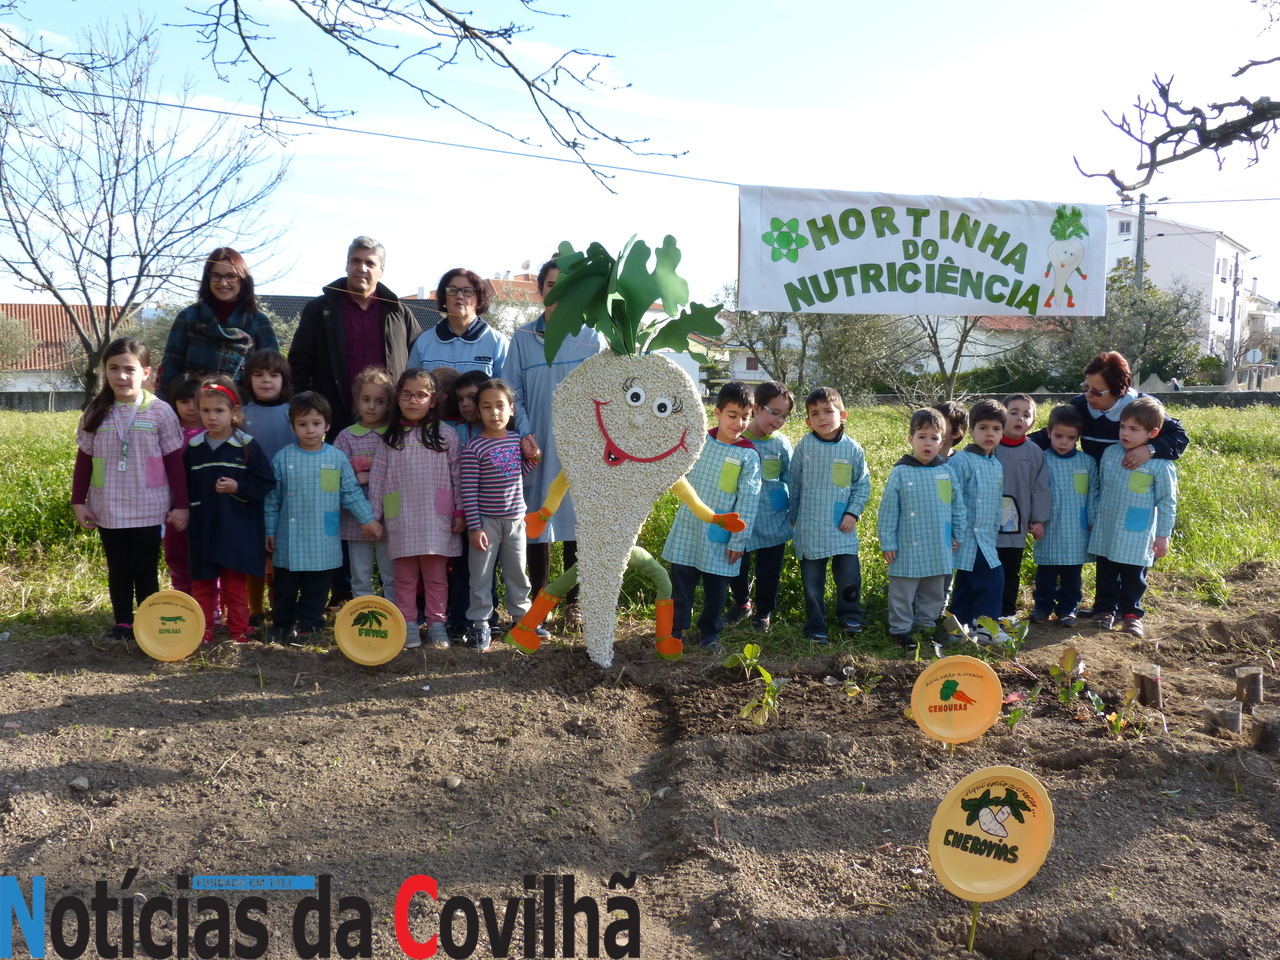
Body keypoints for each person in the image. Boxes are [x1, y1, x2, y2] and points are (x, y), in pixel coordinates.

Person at [503, 257, 604, 628]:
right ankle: (538, 602)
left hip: (581, 446)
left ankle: (574, 603)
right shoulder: (523, 338)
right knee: (537, 519)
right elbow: (512, 391)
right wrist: (525, 432)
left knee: (578, 523)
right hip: (536, 444)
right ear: (540, 290)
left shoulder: (592, 338)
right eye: (550, 286)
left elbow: (605, 393)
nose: (558, 294)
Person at [72, 338, 189, 640]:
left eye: (129, 369)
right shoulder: (95, 412)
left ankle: (149, 622)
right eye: (113, 368)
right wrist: (78, 501)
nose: (121, 376)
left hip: (149, 507)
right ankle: (123, 622)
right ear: (104, 371)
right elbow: (84, 461)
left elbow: (174, 463)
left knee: (145, 569)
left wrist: (182, 505)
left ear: (146, 373)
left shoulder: (161, 412)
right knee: (118, 568)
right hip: (107, 505)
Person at [263, 392, 382, 644]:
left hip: (322, 540)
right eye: (302, 424)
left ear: (327, 425)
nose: (309, 430)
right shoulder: (283, 458)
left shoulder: (336, 458)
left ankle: (310, 627)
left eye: (316, 424)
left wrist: (368, 519)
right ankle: (282, 625)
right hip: (289, 540)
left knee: (316, 590)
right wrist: (269, 530)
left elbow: (350, 493)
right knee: (284, 589)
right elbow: (272, 500)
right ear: (293, 426)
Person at [661, 381, 762, 654]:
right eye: (732, 415)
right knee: (681, 582)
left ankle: (709, 633)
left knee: (716, 590)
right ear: (717, 413)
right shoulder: (698, 441)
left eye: (745, 417)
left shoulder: (748, 455)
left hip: (723, 533)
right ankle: (675, 630)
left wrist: (739, 540)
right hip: (689, 526)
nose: (739, 423)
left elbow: (749, 500)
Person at [369, 368, 464, 649]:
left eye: (421, 395)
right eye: (407, 394)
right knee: (405, 579)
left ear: (433, 400)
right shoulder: (390, 439)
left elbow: (458, 475)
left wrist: (460, 512)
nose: (413, 400)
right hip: (402, 520)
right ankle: (407, 624)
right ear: (398, 398)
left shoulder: (446, 435)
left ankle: (436, 625)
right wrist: (373, 516)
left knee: (436, 578)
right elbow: (377, 479)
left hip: (438, 520)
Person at [288, 236, 420, 437]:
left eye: (370, 263)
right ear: (347, 265)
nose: (362, 268)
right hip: (335, 422)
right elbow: (299, 364)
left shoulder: (399, 313)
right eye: (356, 261)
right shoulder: (320, 310)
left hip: (391, 424)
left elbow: (419, 363)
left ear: (381, 271)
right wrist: (303, 409)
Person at [183, 378, 275, 644]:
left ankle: (238, 629)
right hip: (202, 529)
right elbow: (184, 485)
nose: (212, 417)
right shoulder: (194, 448)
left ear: (234, 412)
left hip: (236, 530)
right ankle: (205, 629)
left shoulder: (247, 446)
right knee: (202, 584)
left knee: (235, 585)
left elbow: (265, 482)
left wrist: (238, 486)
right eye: (206, 410)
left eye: (219, 411)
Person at [459, 378, 541, 651]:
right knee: (481, 577)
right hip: (486, 524)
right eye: (487, 407)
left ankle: (522, 620)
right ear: (478, 412)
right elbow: (468, 491)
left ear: (511, 409)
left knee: (518, 573)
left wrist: (533, 458)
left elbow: (516, 475)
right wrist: (474, 527)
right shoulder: (473, 448)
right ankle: (480, 626)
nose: (494, 413)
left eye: (500, 406)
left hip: (516, 521)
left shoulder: (517, 440)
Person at [1088, 396, 1177, 638]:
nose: (1125, 433)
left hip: (1138, 533)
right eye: (1122, 426)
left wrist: (1163, 536)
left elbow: (1167, 502)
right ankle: (1105, 610)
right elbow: (1098, 487)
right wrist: (1093, 516)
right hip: (1107, 525)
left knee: (1134, 576)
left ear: (1153, 432)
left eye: (1134, 429)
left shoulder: (1160, 464)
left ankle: (1131, 614)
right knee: (1106, 570)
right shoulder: (1109, 454)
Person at [788, 386, 870, 643]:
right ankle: (816, 626)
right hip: (810, 527)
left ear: (842, 415)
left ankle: (850, 615)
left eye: (828, 411)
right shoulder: (804, 447)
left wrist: (853, 513)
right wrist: (794, 517)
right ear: (807, 421)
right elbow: (794, 482)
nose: (822, 418)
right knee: (812, 583)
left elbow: (862, 484)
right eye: (815, 413)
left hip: (842, 526)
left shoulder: (853, 449)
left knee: (849, 577)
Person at [878, 408, 967, 647]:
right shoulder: (900, 471)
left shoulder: (946, 472)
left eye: (934, 438)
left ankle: (926, 627)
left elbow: (957, 506)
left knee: (934, 591)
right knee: (902, 593)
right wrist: (887, 542)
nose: (928, 443)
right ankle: (901, 631)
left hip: (939, 544)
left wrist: (957, 534)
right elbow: (888, 511)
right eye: (922, 437)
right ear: (911, 440)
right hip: (906, 546)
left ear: (943, 442)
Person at [157, 248, 278, 402]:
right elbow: (170, 369)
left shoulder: (258, 322)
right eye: (216, 276)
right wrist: (164, 408)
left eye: (231, 276)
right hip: (192, 410)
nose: (223, 282)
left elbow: (273, 371)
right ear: (208, 279)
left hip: (240, 412)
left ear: (243, 279)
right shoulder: (188, 317)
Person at [1029, 351, 1188, 465]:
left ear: (1119, 391)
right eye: (1086, 387)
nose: (1088, 395)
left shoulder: (1144, 407)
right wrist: (1021, 442)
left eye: (1097, 392)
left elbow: (1179, 436)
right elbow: (1055, 432)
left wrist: (1150, 449)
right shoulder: (1080, 405)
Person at [725, 381, 795, 633]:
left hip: (773, 518)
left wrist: (792, 514)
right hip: (741, 517)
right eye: (773, 412)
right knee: (736, 566)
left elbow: (791, 479)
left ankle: (764, 613)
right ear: (756, 408)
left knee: (769, 571)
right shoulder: (737, 439)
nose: (778, 420)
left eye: (784, 416)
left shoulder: (782, 444)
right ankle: (742, 602)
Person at [240, 349, 295, 633]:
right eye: (258, 375)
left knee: (279, 554)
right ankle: (255, 609)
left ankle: (279, 606)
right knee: (255, 555)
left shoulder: (292, 413)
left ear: (284, 380)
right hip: (251, 495)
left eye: (273, 375)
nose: (266, 381)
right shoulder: (242, 414)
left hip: (286, 496)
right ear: (248, 379)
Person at [1030, 404, 1098, 626]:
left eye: (1070, 438)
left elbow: (1093, 493)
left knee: (1072, 573)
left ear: (1078, 437)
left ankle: (1068, 609)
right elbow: (1033, 492)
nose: (1063, 442)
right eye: (1058, 436)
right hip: (1049, 527)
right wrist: (1035, 520)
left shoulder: (1087, 462)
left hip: (1076, 529)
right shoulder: (1040, 459)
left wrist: (1091, 520)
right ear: (1048, 432)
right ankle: (1042, 607)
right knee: (1046, 572)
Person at [333, 367, 396, 600]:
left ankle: (393, 617)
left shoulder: (394, 433)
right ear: (357, 401)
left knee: (391, 574)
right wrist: (363, 466)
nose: (372, 406)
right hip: (354, 519)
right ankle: (362, 618)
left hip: (388, 515)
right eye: (366, 399)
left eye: (379, 401)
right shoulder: (346, 436)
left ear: (388, 404)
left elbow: (398, 470)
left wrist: (366, 473)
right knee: (360, 575)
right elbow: (338, 473)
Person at [948, 399, 1007, 640]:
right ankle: (987, 628)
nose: (989, 434)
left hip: (985, 536)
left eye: (996, 429)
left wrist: (993, 531)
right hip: (965, 537)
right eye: (983, 428)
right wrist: (951, 531)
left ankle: (957, 628)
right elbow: (952, 497)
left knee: (966, 584)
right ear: (971, 431)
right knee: (993, 576)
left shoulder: (996, 464)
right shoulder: (961, 461)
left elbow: (996, 502)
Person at [994, 394, 1051, 617]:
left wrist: (1038, 519)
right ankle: (977, 611)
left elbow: (1041, 488)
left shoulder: (1035, 452)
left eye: (1026, 415)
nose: (1019, 418)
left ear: (1033, 423)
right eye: (1013, 412)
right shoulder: (989, 447)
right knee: (984, 568)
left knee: (1010, 569)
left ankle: (1006, 612)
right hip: (985, 524)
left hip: (1015, 525)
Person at [408, 268, 508, 375]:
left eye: (467, 291)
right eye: (452, 291)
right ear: (444, 298)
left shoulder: (496, 342)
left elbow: (504, 388)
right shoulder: (424, 342)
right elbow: (411, 384)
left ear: (479, 300)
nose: (459, 296)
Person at [164, 377, 206, 597]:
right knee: (176, 555)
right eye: (184, 402)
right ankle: (182, 599)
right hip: (174, 507)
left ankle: (211, 608)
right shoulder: (168, 433)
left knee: (207, 557)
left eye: (197, 401)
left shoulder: (214, 434)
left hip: (207, 508)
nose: (191, 408)